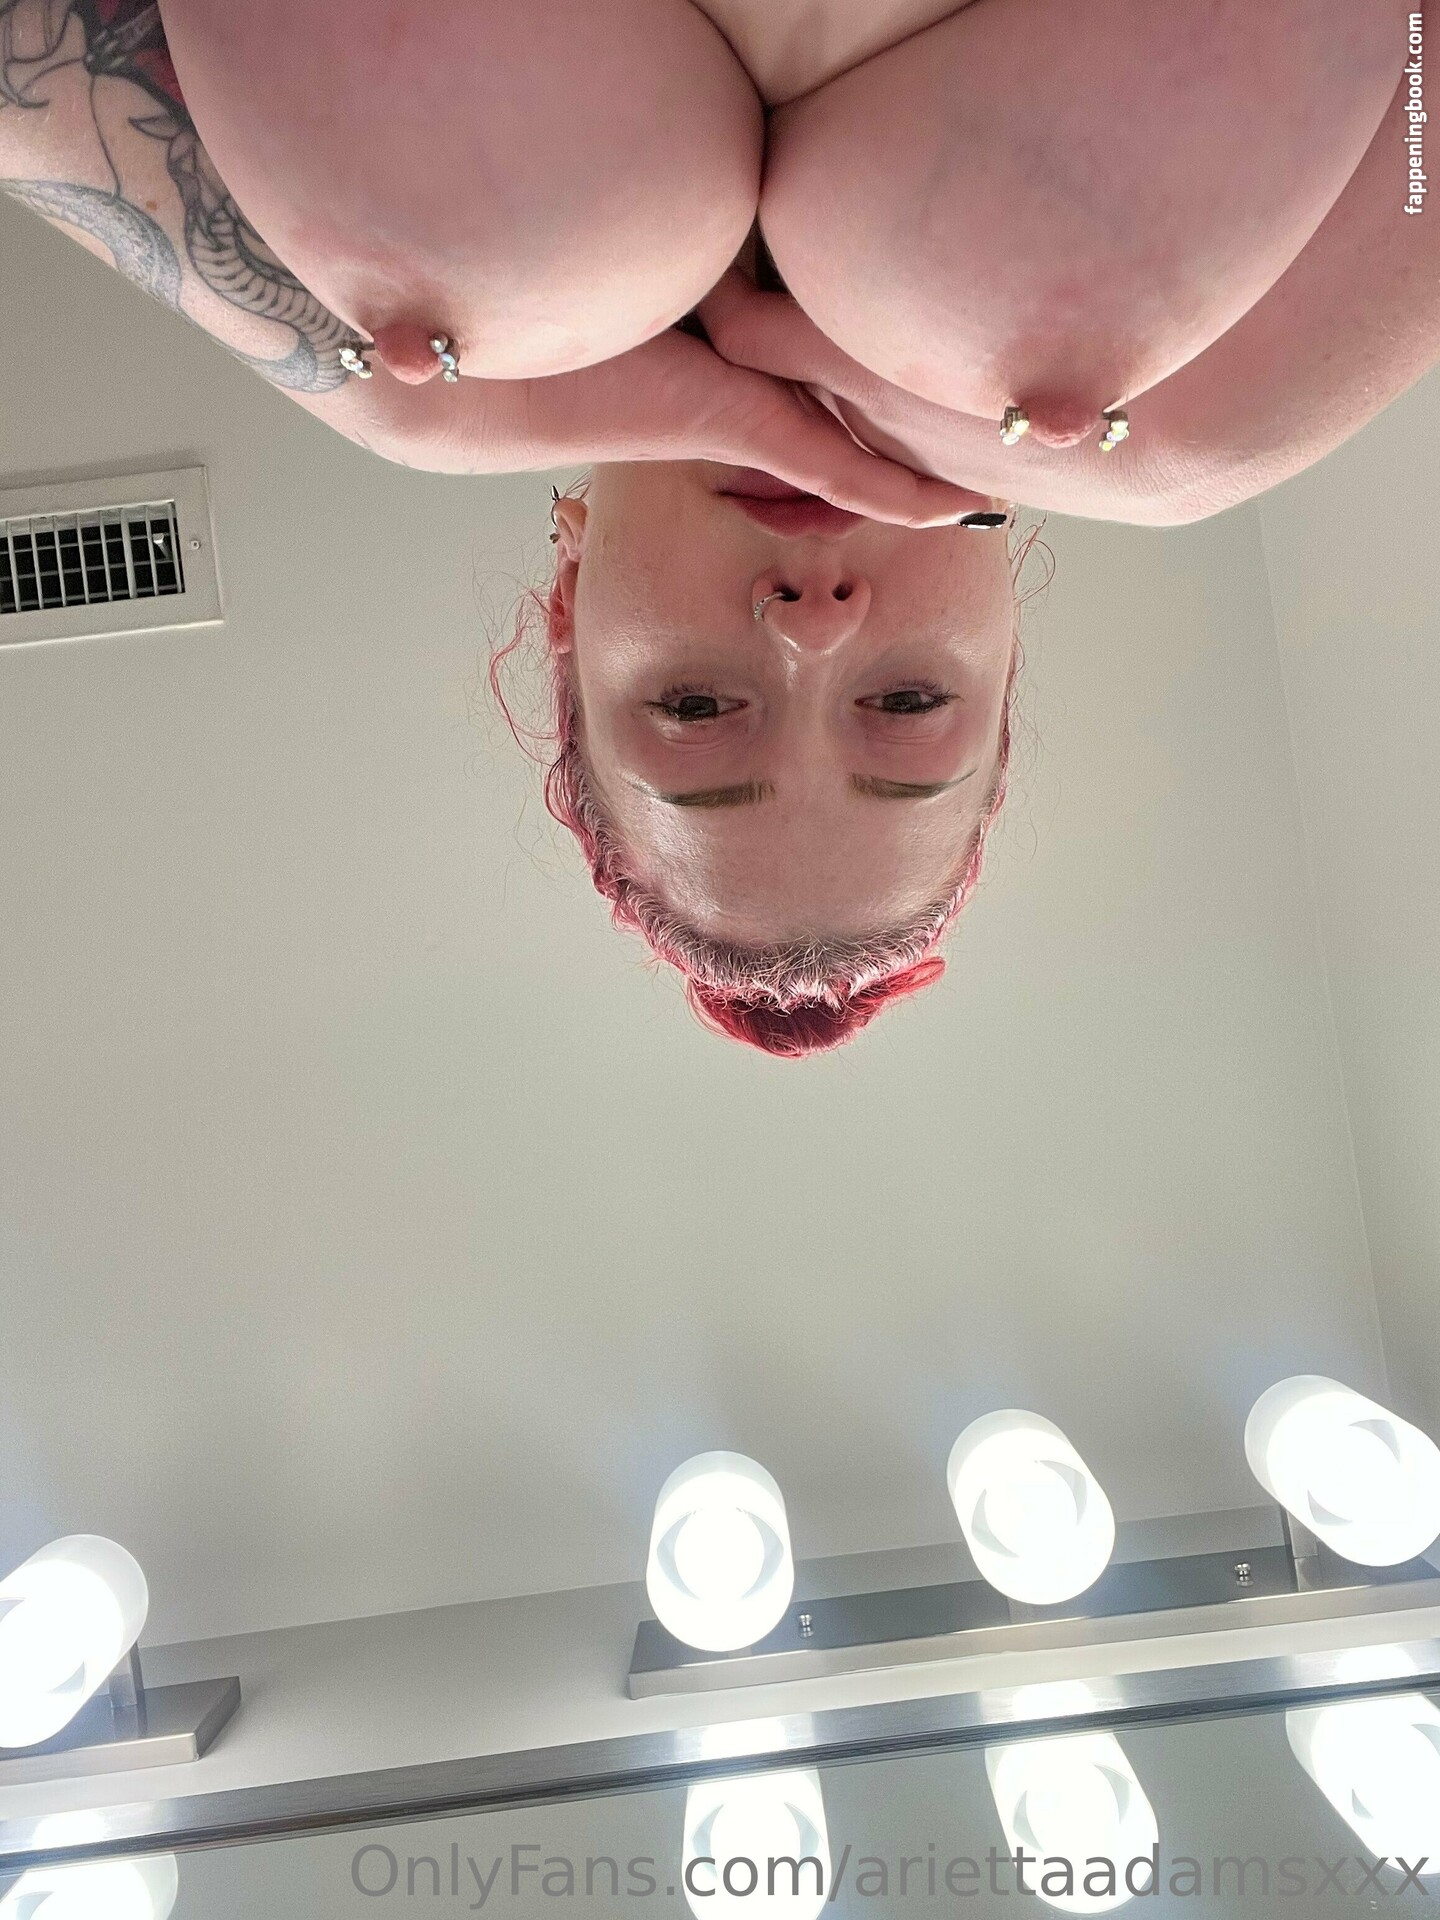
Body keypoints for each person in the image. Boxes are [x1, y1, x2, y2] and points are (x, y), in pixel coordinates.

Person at [4, 0, 1434, 1054]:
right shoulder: (1174, 374)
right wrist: (1220, 428)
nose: (811, 630)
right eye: (906, 706)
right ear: (1006, 652)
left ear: (568, 613)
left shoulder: (429, 317)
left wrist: (340, 361)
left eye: (695, 708)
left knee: (487, 259)